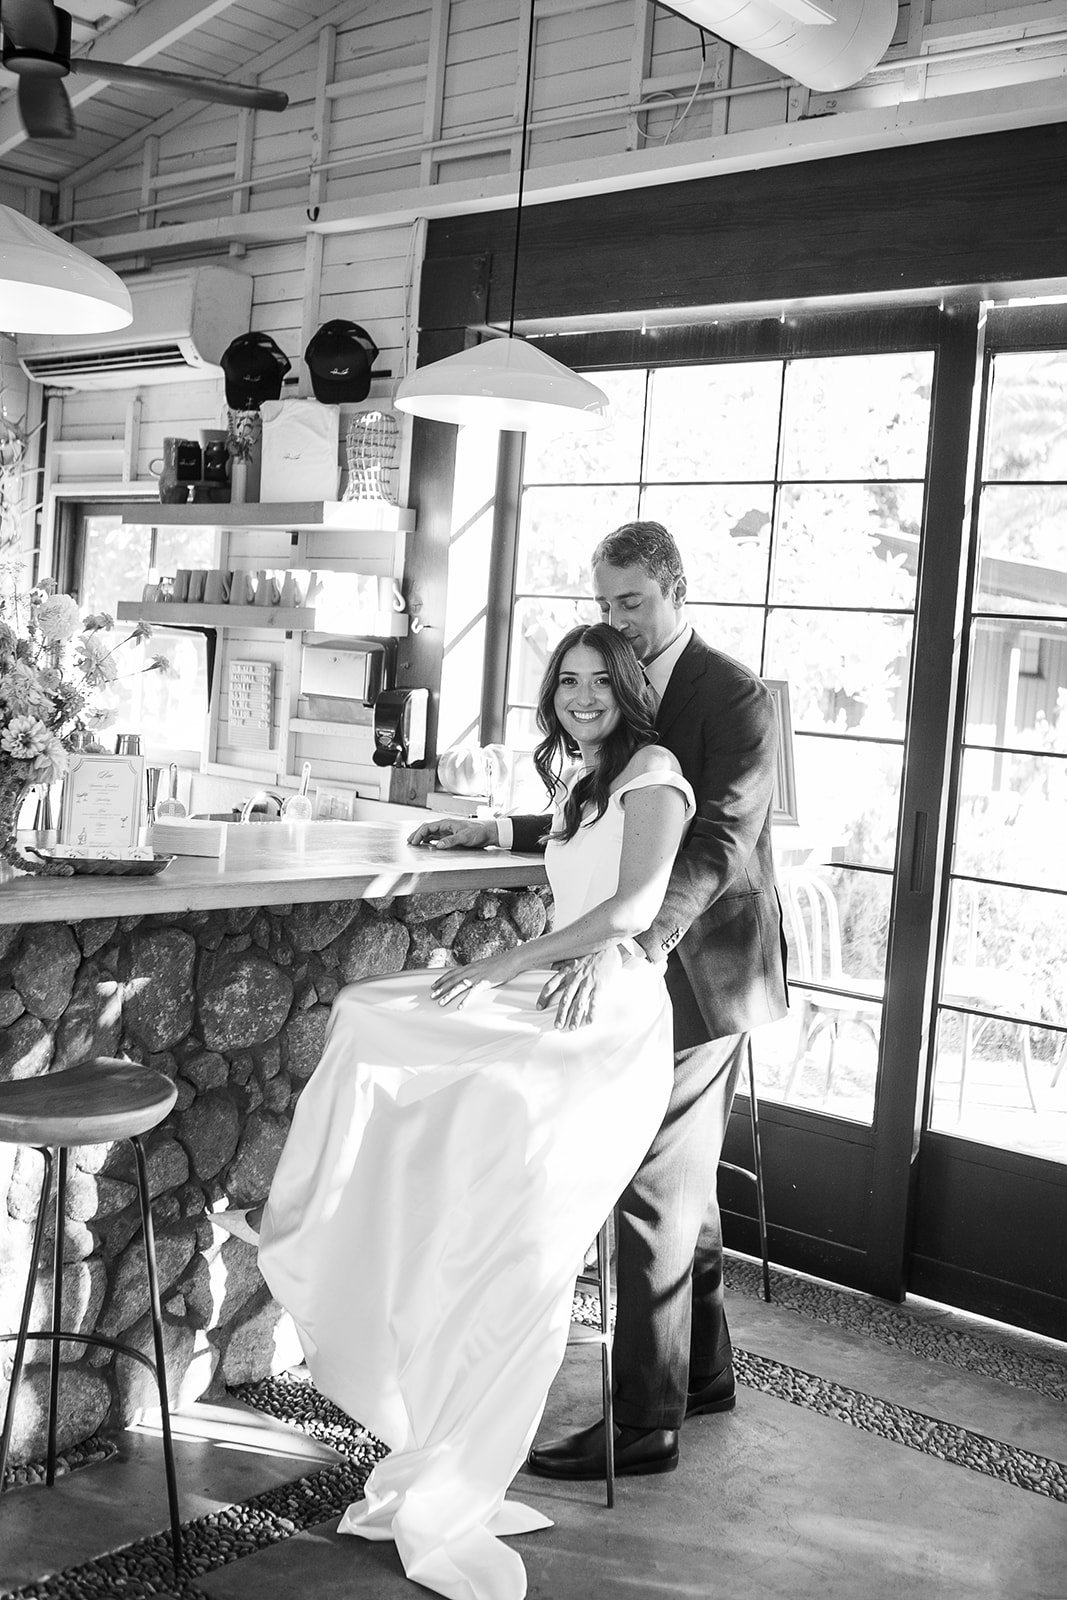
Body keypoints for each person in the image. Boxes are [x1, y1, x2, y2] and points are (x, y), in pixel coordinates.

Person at [258, 622, 696, 1600]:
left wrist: (505, 961)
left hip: (608, 1019)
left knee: (513, 1233)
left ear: (629, 686)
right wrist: (495, 836)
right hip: (561, 992)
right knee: (368, 1012)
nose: (582, 695)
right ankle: (329, 1222)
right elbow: (568, 850)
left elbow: (631, 908)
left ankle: (457, 1456)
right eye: (566, 680)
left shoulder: (656, 772)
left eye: (599, 680)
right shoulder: (585, 774)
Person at [412, 520, 789, 1482]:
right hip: (648, 961)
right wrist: (502, 824)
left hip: (699, 971)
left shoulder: (733, 694)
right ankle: (702, 1377)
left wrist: (637, 944)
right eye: (604, 602)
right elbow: (618, 802)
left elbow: (718, 841)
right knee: (682, 1190)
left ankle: (644, 1425)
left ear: (676, 589)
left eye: (630, 602)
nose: (613, 618)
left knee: (650, 1191)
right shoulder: (619, 678)